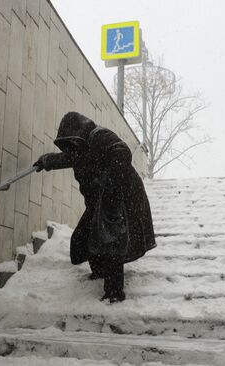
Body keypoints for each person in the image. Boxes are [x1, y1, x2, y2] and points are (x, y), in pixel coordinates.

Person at [33, 112, 156, 303]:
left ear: (79, 133)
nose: (71, 148)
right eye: (68, 144)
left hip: (121, 198)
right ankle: (99, 271)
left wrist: (109, 181)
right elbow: (67, 158)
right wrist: (47, 161)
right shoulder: (80, 149)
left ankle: (115, 292)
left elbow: (122, 151)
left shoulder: (100, 136)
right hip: (102, 200)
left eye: (72, 142)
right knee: (85, 235)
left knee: (111, 240)